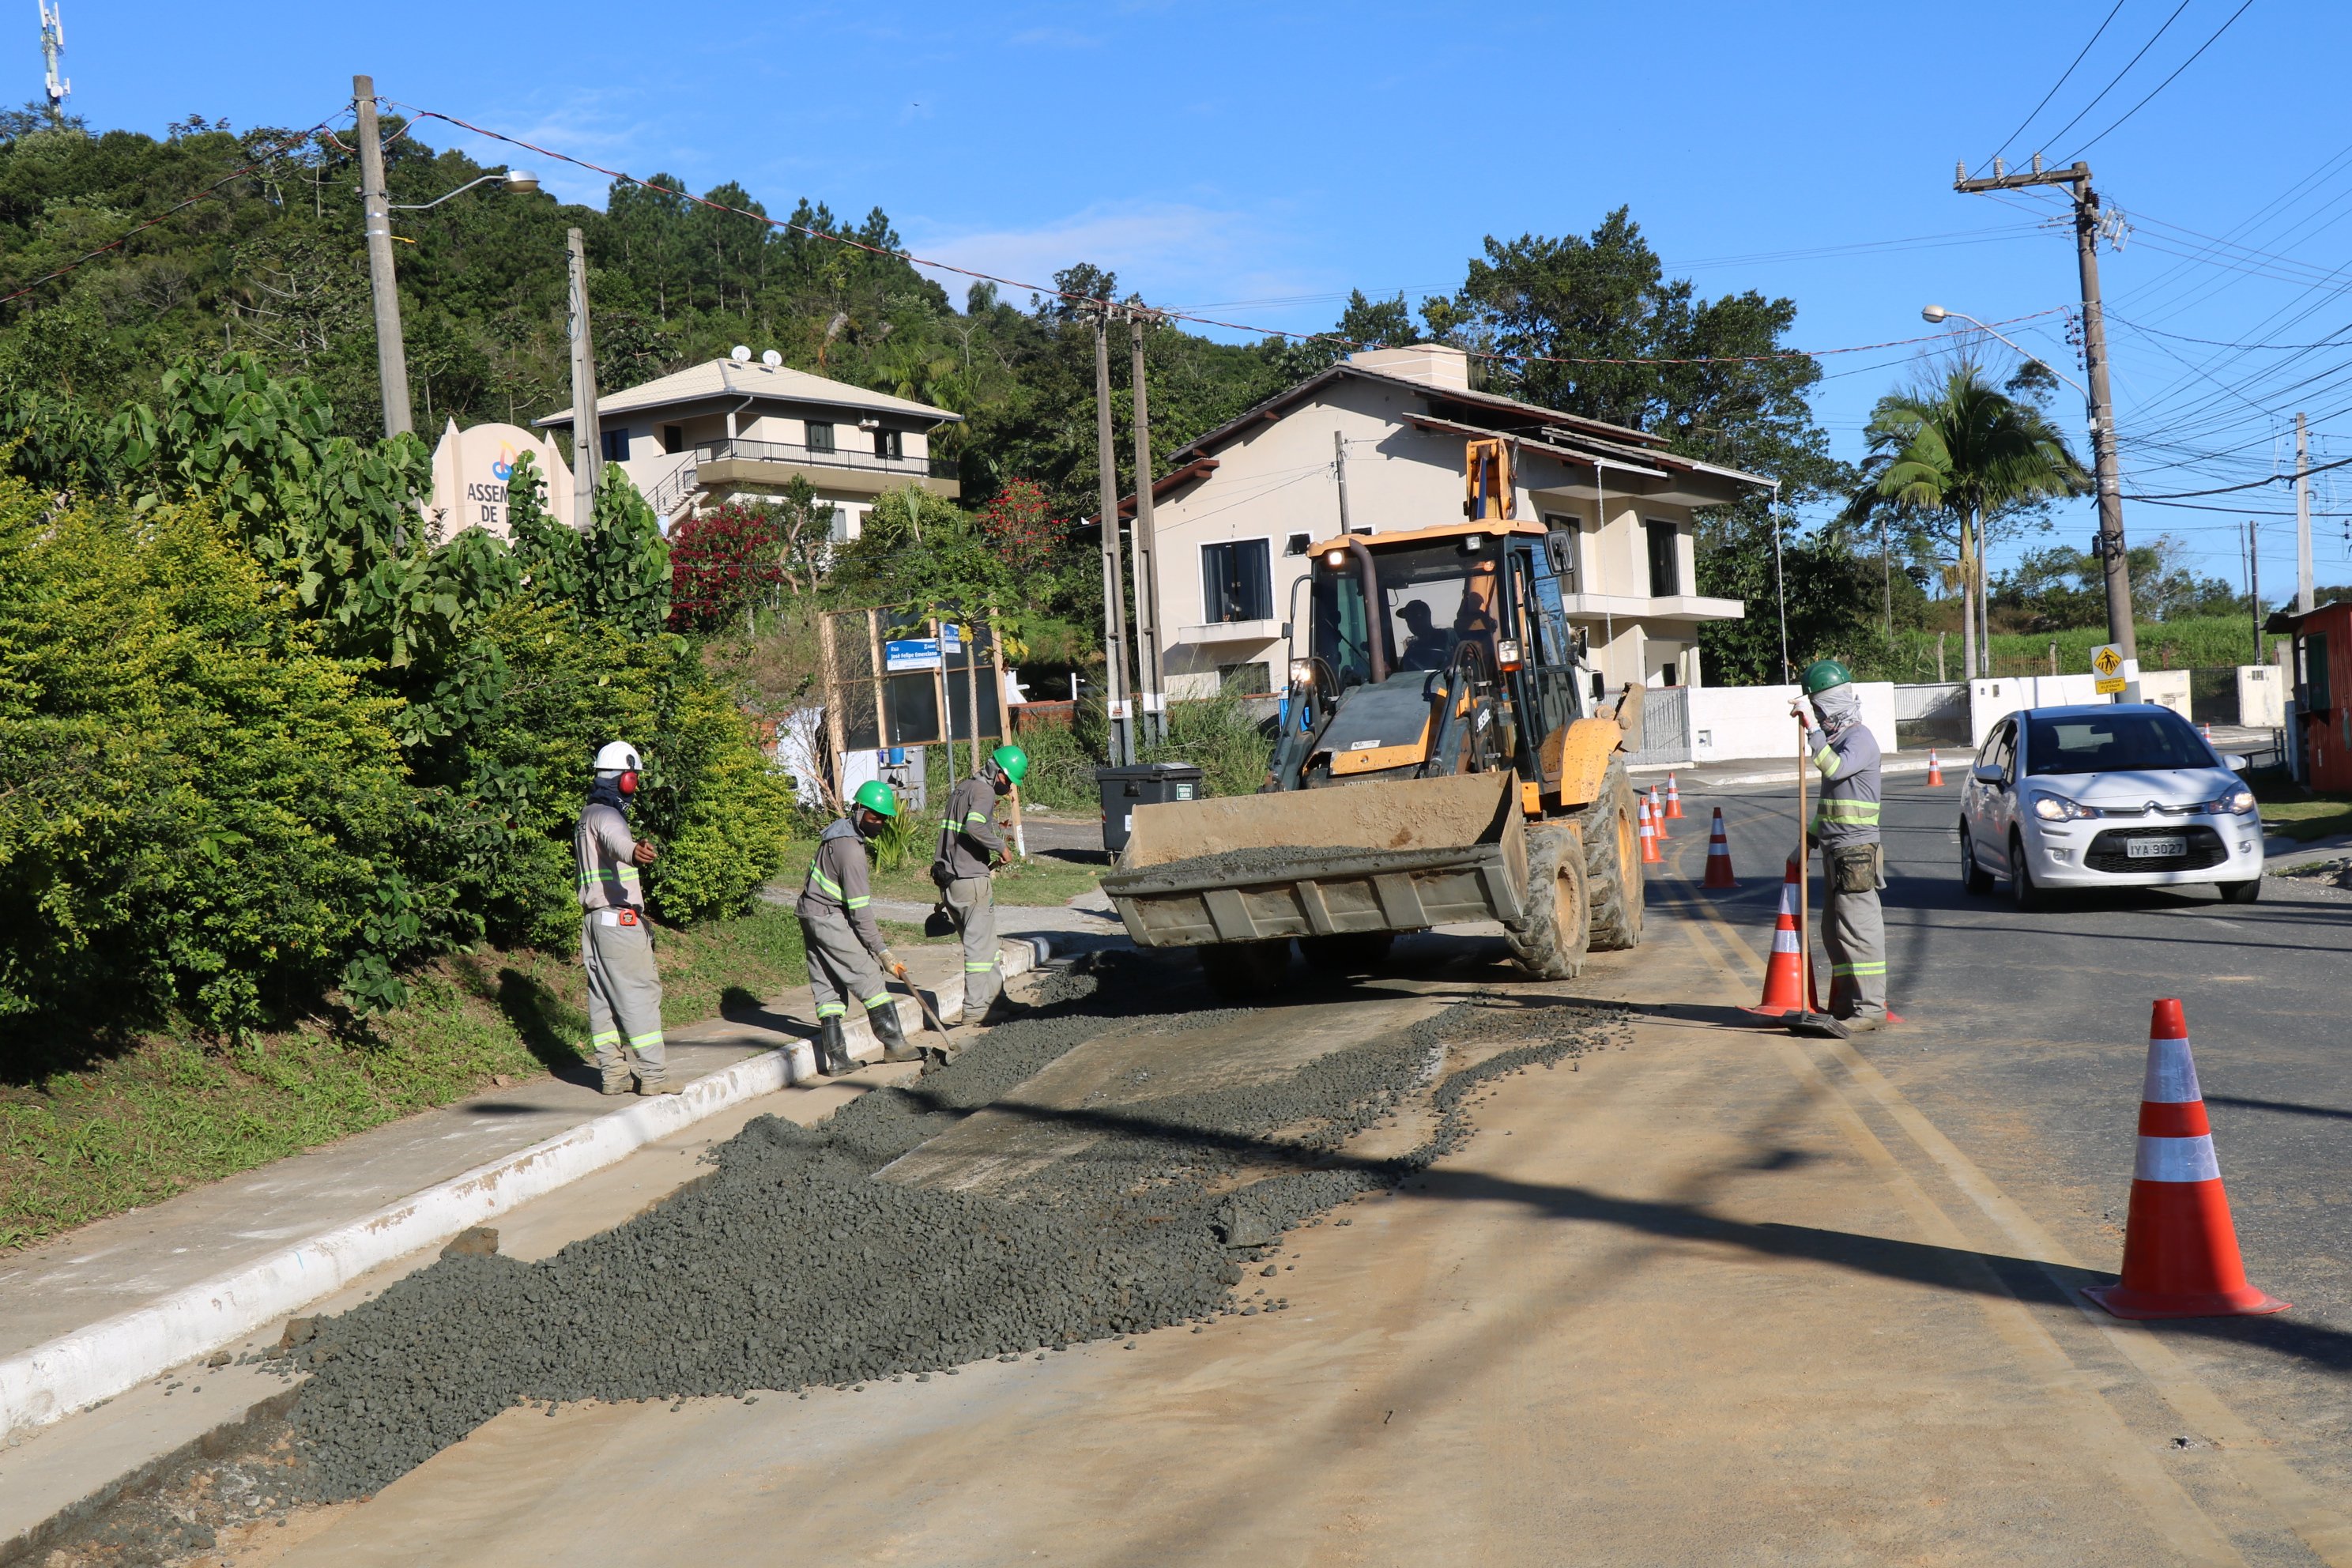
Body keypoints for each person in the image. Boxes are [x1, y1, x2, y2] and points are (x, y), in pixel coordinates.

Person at [1789, 660, 1890, 1030]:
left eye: (1818, 710)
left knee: (1859, 931)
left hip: (1856, 853)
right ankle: (1847, 1003)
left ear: (1829, 708)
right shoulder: (1836, 740)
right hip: (1836, 850)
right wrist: (1807, 841)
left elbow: (1832, 769)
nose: (1816, 717)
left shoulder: (1859, 739)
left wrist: (1811, 729)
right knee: (1834, 931)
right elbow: (1830, 806)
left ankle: (1871, 1009)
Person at [797, 780, 920, 1076]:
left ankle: (837, 1059)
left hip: (811, 913)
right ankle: (895, 1045)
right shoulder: (851, 852)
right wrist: (882, 952)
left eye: (883, 818)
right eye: (874, 816)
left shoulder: (837, 833)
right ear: (859, 811)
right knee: (868, 977)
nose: (879, 822)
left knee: (828, 986)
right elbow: (860, 913)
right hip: (827, 916)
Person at [576, 741, 673, 1095]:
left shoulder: (587, 814)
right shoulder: (608, 816)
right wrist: (634, 851)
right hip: (619, 922)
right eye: (635, 778)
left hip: (594, 921)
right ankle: (654, 1077)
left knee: (602, 1000)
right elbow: (618, 843)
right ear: (626, 779)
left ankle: (613, 1076)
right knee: (638, 995)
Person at [933, 744, 1028, 1026]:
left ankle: (997, 998)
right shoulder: (985, 792)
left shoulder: (963, 787)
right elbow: (974, 828)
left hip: (950, 878)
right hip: (971, 880)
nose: (1010, 787)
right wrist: (1001, 847)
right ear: (1000, 774)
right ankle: (975, 1009)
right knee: (979, 948)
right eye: (1010, 781)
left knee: (987, 945)